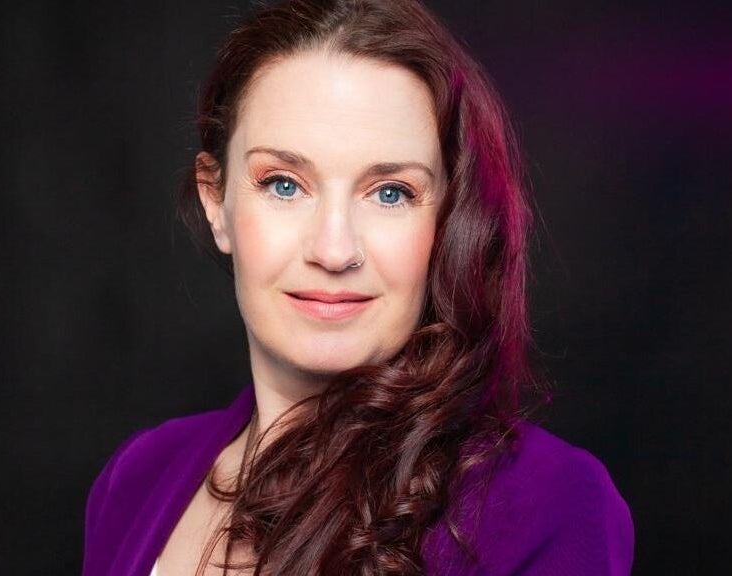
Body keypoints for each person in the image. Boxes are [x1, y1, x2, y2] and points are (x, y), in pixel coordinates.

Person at [81, 0, 635, 574]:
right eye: (284, 184)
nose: (334, 250)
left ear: (447, 222)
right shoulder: (135, 479)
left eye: (390, 192)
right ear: (215, 201)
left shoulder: (546, 505)